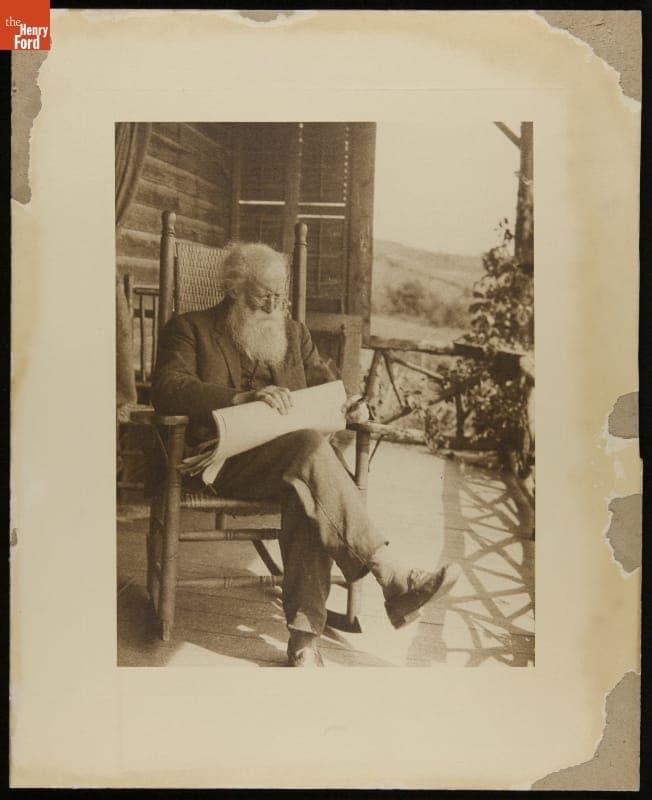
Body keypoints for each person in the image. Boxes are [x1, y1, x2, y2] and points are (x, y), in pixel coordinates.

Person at [151, 241, 460, 667]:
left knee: (308, 484)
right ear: (235, 289)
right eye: (265, 296)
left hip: (293, 462)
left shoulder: (293, 334)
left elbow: (329, 382)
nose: (275, 305)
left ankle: (303, 638)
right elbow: (168, 388)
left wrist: (352, 402)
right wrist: (242, 396)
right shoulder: (190, 328)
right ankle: (390, 575)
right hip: (222, 463)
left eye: (281, 296)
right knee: (310, 457)